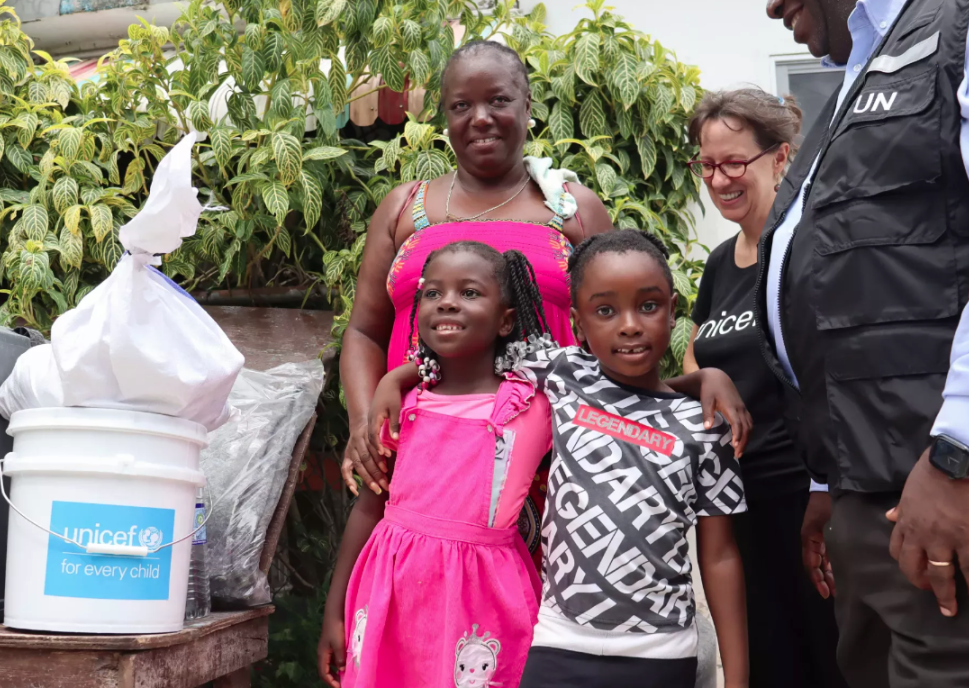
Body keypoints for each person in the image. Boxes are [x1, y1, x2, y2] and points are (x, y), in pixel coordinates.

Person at [758, 0, 969, 686]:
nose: (769, 6)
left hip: (958, 497)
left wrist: (964, 451)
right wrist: (827, 482)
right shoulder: (866, 62)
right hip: (875, 495)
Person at [371, 231, 752, 688]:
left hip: (663, 651)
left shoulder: (705, 426)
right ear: (577, 321)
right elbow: (474, 346)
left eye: (648, 306)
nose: (629, 325)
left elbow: (721, 556)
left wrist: (739, 678)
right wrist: (397, 377)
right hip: (558, 643)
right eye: (605, 311)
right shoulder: (564, 373)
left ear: (673, 311)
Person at [338, 39, 613, 565]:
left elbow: (613, 331)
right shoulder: (405, 209)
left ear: (528, 107)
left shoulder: (573, 211)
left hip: (549, 469)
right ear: (445, 116)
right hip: (419, 460)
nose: (481, 118)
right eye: (462, 106)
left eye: (499, 101)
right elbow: (364, 332)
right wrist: (364, 423)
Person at [317, 243, 557, 688]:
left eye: (469, 292)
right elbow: (369, 507)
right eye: (432, 293)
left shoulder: (532, 406)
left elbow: (610, 387)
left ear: (506, 319)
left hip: (484, 601)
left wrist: (701, 378)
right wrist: (335, 610)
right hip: (392, 594)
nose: (447, 301)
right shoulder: (401, 408)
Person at [685, 89, 845, 688]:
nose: (720, 179)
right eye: (707, 165)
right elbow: (695, 361)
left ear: (780, 158)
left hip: (806, 498)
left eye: (734, 163)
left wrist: (822, 491)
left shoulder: (806, 247)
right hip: (736, 504)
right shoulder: (721, 263)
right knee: (769, 659)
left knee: (828, 653)